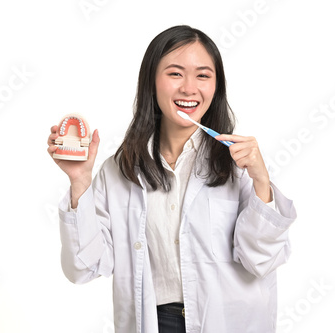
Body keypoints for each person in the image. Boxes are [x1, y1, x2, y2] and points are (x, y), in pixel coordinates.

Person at [47, 25, 297, 333]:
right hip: (155, 321)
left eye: (203, 76)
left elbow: (262, 260)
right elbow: (82, 268)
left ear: (216, 87)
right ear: (151, 83)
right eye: (175, 74)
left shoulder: (237, 165)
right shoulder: (120, 170)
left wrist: (261, 180)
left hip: (229, 321)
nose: (189, 88)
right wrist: (80, 181)